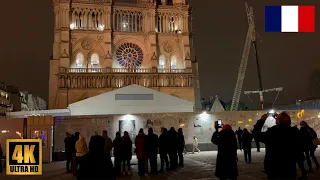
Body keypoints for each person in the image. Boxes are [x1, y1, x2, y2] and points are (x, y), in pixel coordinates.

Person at [259, 111, 300, 180]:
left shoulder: (273, 131)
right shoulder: (294, 132)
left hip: (275, 168)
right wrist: (280, 118)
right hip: (289, 168)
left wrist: (262, 120)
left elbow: (258, 135)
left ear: (278, 121)